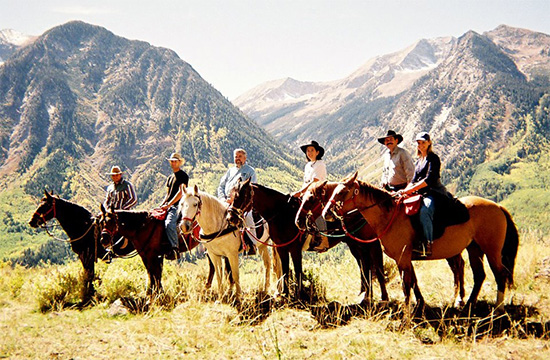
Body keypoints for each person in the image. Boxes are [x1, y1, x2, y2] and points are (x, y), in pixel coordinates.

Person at [399, 132, 448, 257]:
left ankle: (428, 243)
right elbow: (414, 180)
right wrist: (403, 191)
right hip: (421, 193)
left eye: (423, 142)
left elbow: (429, 180)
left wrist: (409, 190)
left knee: (425, 210)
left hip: (434, 192)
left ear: (429, 143)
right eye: (419, 143)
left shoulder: (433, 158)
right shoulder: (419, 161)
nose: (421, 145)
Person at [291, 140, 329, 252]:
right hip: (308, 194)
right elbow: (306, 182)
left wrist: (300, 192)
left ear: (317, 152)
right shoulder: (308, 165)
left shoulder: (320, 164)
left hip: (318, 193)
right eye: (308, 150)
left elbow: (314, 181)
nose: (309, 152)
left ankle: (324, 240)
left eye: (312, 150)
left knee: (317, 212)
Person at [217, 148, 258, 250]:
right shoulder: (230, 171)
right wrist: (222, 198)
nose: (237, 159)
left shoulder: (250, 171)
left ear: (245, 158)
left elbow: (252, 189)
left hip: (242, 204)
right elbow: (221, 186)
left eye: (240, 156)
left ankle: (252, 244)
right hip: (226, 201)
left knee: (247, 216)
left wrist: (234, 200)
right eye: (236, 156)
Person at [102, 166, 137, 263]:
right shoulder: (110, 188)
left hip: (124, 213)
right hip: (111, 213)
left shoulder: (127, 185)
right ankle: (105, 247)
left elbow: (133, 199)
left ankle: (127, 246)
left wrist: (123, 209)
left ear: (120, 175)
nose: (115, 177)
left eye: (117, 175)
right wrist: (106, 209)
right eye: (113, 175)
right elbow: (107, 200)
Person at [160, 152, 189, 260]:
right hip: (169, 205)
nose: (173, 163)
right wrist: (162, 205)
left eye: (175, 161)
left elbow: (181, 192)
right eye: (172, 161)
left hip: (178, 206)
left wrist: (169, 205)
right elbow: (168, 194)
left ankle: (174, 248)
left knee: (169, 224)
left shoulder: (183, 176)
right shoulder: (170, 177)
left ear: (179, 162)